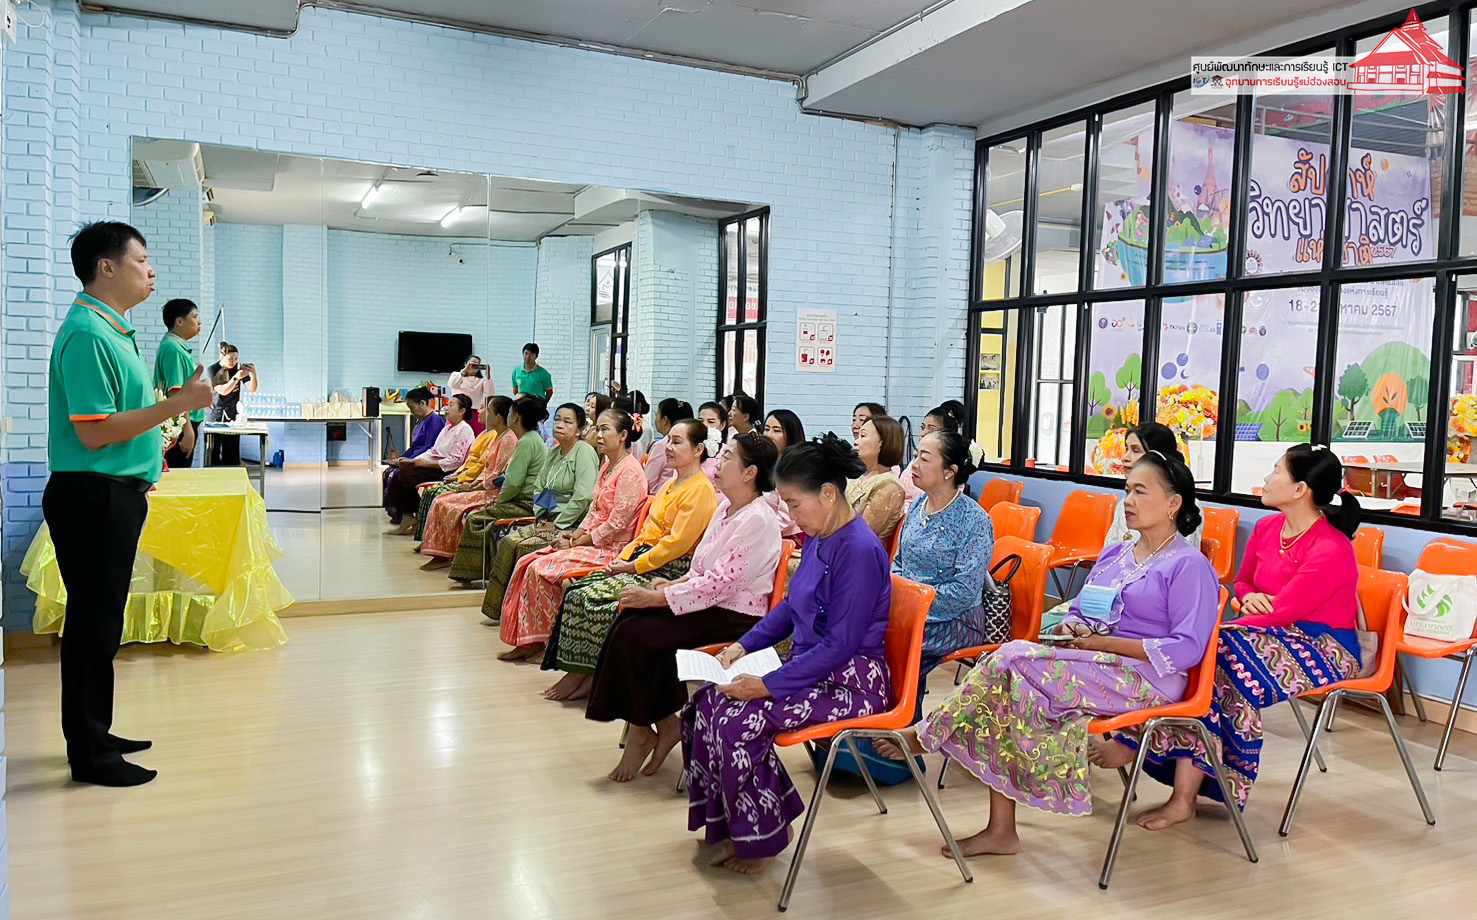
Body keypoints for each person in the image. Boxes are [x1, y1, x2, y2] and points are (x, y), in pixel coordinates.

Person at [881, 451, 1219, 857]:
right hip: (1095, 662)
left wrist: (1103, 644)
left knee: (1008, 659)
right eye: (1127, 490)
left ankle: (929, 734)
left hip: (1147, 678)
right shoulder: (1116, 555)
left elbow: (1187, 648)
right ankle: (1001, 831)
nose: (1127, 501)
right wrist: (1070, 628)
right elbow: (1080, 610)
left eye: (1139, 492)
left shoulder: (1188, 565)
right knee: (1006, 686)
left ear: (1173, 503)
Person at [1097, 444, 1363, 828]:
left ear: (1300, 489)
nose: (1267, 478)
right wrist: (1248, 597)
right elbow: (1242, 582)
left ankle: (1141, 748)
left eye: (1276, 471)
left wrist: (1245, 611)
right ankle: (1157, 759)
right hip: (1262, 631)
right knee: (1204, 656)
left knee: (1216, 659)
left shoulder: (1331, 547)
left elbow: (1285, 612)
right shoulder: (1268, 528)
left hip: (1323, 646)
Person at [47, 221, 214, 786]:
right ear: (107, 267)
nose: (151, 271)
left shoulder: (113, 330)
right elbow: (94, 432)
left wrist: (174, 405)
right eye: (141, 260)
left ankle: (95, 732)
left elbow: (123, 418)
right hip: (93, 495)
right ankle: (90, 755)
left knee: (101, 623)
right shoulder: (88, 334)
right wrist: (178, 406)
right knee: (92, 626)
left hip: (112, 494)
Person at [681, 434, 892, 875]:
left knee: (739, 721)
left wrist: (768, 685)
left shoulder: (858, 550)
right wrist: (742, 646)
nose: (791, 516)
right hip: (814, 668)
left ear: (828, 494)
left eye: (795, 504)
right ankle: (730, 827)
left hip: (852, 682)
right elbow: (791, 608)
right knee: (706, 704)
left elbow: (841, 645)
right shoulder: (820, 535)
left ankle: (764, 836)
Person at [587, 431, 783, 782]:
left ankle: (647, 731)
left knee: (638, 634)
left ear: (750, 473)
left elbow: (722, 584)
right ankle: (658, 725)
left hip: (736, 617)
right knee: (629, 620)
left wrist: (659, 597)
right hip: (710, 604)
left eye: (727, 457)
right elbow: (701, 569)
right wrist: (673, 585)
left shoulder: (758, 518)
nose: (717, 463)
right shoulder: (726, 508)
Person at [540, 419, 719, 701]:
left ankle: (592, 674)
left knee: (598, 600)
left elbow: (674, 545)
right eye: (668, 441)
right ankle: (581, 671)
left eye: (677, 442)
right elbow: (646, 532)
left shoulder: (701, 490)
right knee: (576, 591)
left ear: (698, 450)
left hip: (668, 569)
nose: (668, 448)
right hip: (642, 558)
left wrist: (633, 565)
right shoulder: (671, 484)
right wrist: (624, 559)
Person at [497, 408, 647, 661]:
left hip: (611, 550)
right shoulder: (608, 465)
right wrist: (574, 535)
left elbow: (617, 524)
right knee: (526, 562)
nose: (598, 435)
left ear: (623, 435)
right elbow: (593, 510)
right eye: (597, 428)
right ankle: (530, 641)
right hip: (592, 542)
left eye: (605, 429)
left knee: (540, 569)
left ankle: (548, 644)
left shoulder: (630, 472)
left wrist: (581, 540)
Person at [480, 403, 599, 621]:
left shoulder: (584, 452)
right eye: (557, 419)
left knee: (524, 548)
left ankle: (521, 613)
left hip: (571, 523)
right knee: (507, 542)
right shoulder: (554, 453)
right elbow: (539, 487)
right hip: (548, 518)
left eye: (567, 422)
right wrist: (543, 515)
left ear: (579, 430)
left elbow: (583, 496)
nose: (560, 425)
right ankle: (500, 609)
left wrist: (559, 523)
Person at [894, 430, 994, 677]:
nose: (914, 464)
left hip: (955, 620)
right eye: (915, 456)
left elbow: (964, 591)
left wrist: (912, 606)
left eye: (924, 459)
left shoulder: (974, 520)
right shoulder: (918, 506)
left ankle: (902, 701)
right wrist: (897, 599)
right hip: (910, 608)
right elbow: (899, 562)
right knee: (868, 630)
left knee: (890, 640)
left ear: (950, 471)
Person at [444, 396, 551, 581]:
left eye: (509, 413)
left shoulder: (527, 442)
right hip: (521, 498)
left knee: (476, 518)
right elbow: (507, 478)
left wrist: (499, 501)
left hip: (526, 502)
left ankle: (473, 571)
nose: (507, 416)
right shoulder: (528, 439)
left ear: (516, 417)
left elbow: (514, 483)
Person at [417, 396, 520, 566]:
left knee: (445, 503)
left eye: (487, 409)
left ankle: (447, 553)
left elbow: (496, 476)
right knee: (440, 500)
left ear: (498, 417)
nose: (481, 412)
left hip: (492, 492)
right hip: (480, 484)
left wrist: (472, 486)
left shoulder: (508, 439)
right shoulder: (495, 436)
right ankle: (442, 552)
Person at [384, 394, 476, 535]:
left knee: (404, 475)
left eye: (451, 405)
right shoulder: (447, 428)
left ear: (462, 411)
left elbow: (455, 461)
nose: (446, 408)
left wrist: (424, 463)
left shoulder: (464, 430)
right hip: (434, 464)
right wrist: (414, 461)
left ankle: (410, 517)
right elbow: (433, 451)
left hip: (446, 470)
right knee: (399, 472)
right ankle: (407, 516)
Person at [153, 298, 205, 469]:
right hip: (178, 426)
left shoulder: (178, 347)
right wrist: (187, 429)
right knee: (178, 473)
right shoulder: (173, 349)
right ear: (179, 322)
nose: (199, 322)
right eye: (194, 317)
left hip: (182, 422)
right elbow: (176, 393)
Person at [848, 414, 907, 547]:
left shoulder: (890, 486)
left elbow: (861, 534)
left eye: (863, 436)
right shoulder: (859, 476)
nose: (856, 441)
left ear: (882, 444)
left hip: (861, 555)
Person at [901, 400, 965, 502]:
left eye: (931, 430)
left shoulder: (950, 471)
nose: (923, 433)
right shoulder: (916, 461)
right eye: (922, 428)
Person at [206, 344, 259, 466]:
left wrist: (253, 374)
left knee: (231, 454)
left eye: (236, 359)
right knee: (214, 454)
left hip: (233, 416)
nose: (233, 362)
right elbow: (223, 390)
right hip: (216, 415)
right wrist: (236, 378)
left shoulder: (237, 368)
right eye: (230, 359)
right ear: (222, 357)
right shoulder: (213, 370)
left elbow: (252, 389)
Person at [646, 398, 693, 495]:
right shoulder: (689, 444)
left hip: (660, 496)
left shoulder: (662, 445)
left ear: (664, 420)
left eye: (656, 415)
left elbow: (648, 480)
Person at [446, 355, 493, 434]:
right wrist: (465, 370)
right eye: (472, 364)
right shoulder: (457, 375)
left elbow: (490, 392)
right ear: (466, 364)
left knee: (475, 434)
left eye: (477, 365)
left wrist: (488, 376)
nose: (474, 366)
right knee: (454, 433)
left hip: (475, 412)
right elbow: (452, 384)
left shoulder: (482, 380)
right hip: (458, 410)